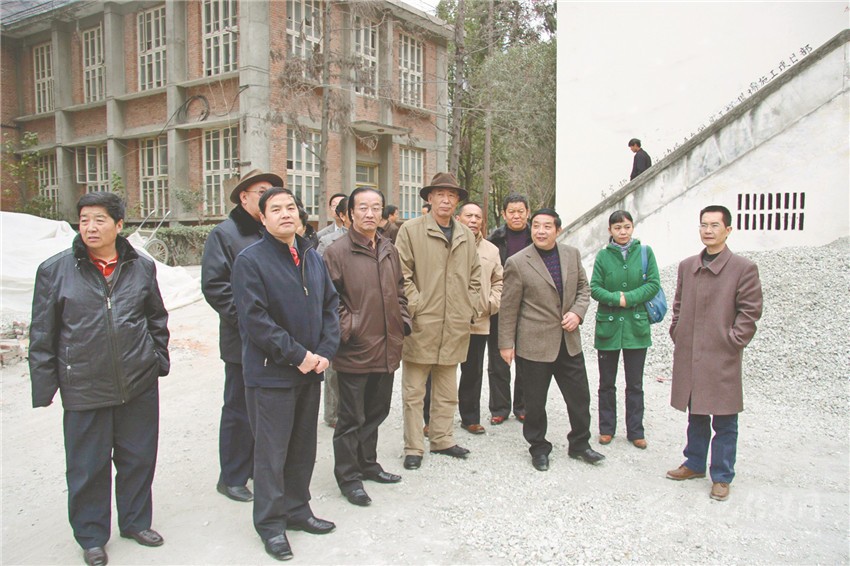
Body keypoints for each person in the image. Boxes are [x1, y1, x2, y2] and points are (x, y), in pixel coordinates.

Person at [29, 192, 170, 566]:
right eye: (84, 220)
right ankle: (91, 536)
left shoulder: (141, 267)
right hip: (84, 386)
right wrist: (45, 386)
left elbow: (156, 317)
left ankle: (136, 522)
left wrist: (156, 360)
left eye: (100, 219)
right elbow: (42, 332)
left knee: (138, 458)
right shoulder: (55, 270)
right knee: (87, 467)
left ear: (119, 225)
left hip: (138, 382)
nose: (90, 227)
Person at [232, 187, 340, 561]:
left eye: (290, 207)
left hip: (310, 370)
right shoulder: (250, 260)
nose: (285, 214)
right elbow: (255, 320)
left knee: (302, 448)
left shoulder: (311, 256)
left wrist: (325, 351)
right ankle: (271, 524)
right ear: (262, 218)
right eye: (275, 209)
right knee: (271, 454)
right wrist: (298, 355)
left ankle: (298, 510)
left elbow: (330, 306)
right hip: (271, 374)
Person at [666, 205, 763, 502]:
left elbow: (750, 311)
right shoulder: (687, 266)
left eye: (714, 225)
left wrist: (733, 340)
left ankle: (721, 475)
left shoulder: (743, 268)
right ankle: (694, 463)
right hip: (690, 352)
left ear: (728, 230)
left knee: (724, 418)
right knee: (696, 412)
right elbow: (678, 304)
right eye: (703, 225)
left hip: (722, 354)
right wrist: (677, 330)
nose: (708, 230)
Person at [498, 208, 605, 472]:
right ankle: (538, 448)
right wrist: (506, 343)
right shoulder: (517, 262)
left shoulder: (571, 254)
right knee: (534, 403)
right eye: (536, 226)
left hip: (569, 341)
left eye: (547, 226)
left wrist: (577, 313)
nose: (541, 231)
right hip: (534, 344)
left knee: (580, 399)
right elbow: (508, 306)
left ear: (558, 230)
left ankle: (579, 444)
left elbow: (583, 289)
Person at [323, 187, 410, 506]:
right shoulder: (336, 252)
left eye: (376, 207)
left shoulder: (388, 248)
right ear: (350, 213)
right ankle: (348, 477)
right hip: (355, 348)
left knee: (377, 411)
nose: (370, 213)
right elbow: (328, 301)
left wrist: (402, 320)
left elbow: (399, 290)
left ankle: (368, 463)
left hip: (387, 345)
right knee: (351, 418)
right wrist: (351, 327)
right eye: (363, 207)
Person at [202, 169, 284, 503]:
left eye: (272, 192)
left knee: (269, 410)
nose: (268, 197)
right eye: (261, 191)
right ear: (244, 197)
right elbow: (216, 287)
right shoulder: (225, 234)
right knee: (239, 409)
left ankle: (260, 469)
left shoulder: (273, 232)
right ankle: (232, 477)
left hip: (279, 340)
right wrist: (252, 323)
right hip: (244, 340)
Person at [395, 172, 481, 470]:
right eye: (440, 194)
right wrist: (416, 306)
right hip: (422, 323)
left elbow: (475, 276)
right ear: (429, 198)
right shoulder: (410, 230)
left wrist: (469, 307)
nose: (446, 200)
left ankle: (442, 439)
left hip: (455, 324)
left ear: (457, 201)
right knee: (414, 392)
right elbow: (401, 275)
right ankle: (413, 446)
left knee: (446, 391)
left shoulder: (465, 234)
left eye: (451, 195)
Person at [589, 210, 660, 450]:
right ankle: (606, 428)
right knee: (606, 382)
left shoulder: (645, 252)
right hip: (608, 326)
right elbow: (595, 287)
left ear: (632, 227)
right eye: (617, 227)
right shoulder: (602, 256)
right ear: (610, 230)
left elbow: (653, 284)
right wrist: (614, 299)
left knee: (635, 384)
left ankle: (635, 431)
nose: (622, 232)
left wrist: (628, 299)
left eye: (627, 227)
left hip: (636, 326)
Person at [455, 202, 503, 434]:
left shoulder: (491, 250)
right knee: (438, 371)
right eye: (469, 216)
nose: (473, 220)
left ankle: (470, 417)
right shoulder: (447, 244)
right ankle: (430, 419)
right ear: (458, 218)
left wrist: (491, 304)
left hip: (478, 320)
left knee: (472, 373)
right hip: (448, 320)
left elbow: (499, 281)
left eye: (477, 217)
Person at [486, 193, 532, 424]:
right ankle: (499, 407)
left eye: (520, 211)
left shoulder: (536, 237)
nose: (516, 216)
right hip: (501, 304)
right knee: (497, 359)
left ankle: (522, 406)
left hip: (529, 304)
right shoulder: (494, 240)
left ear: (528, 213)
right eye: (511, 212)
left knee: (526, 357)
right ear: (504, 214)